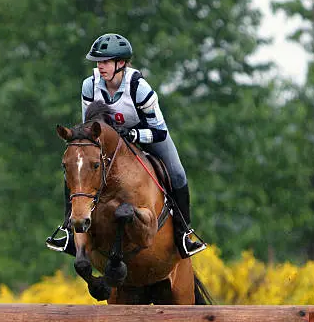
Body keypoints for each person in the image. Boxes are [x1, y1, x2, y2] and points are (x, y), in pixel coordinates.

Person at [46, 33, 206, 259]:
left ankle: (184, 233)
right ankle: (69, 231)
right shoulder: (89, 86)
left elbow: (159, 132)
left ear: (120, 63)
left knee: (177, 173)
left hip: (147, 136)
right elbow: (87, 129)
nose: (100, 67)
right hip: (109, 143)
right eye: (98, 62)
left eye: (105, 62)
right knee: (75, 172)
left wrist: (132, 133)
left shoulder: (139, 88)